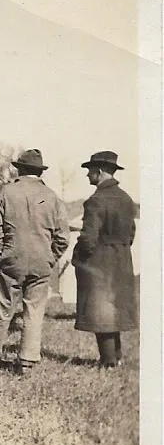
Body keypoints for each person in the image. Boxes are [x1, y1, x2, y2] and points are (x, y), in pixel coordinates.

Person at [0, 149, 69, 375]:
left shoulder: (6, 192)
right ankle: (27, 361)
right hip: (42, 262)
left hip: (11, 259)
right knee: (34, 311)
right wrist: (51, 258)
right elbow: (62, 238)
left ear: (19, 169)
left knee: (1, 308)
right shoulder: (52, 197)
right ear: (39, 172)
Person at [72, 151, 137, 368]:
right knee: (114, 311)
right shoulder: (127, 199)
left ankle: (108, 362)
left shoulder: (95, 201)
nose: (87, 175)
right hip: (122, 261)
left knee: (101, 313)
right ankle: (116, 358)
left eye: (89, 170)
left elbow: (89, 238)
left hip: (100, 263)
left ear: (99, 172)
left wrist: (79, 257)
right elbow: (131, 234)